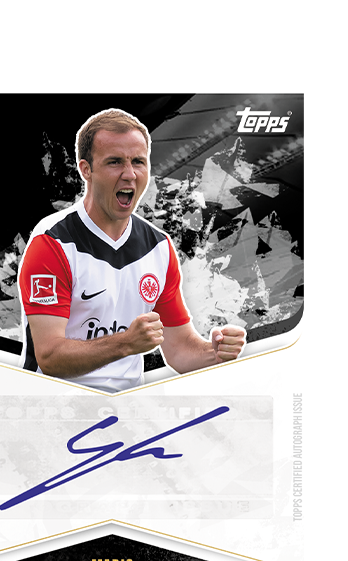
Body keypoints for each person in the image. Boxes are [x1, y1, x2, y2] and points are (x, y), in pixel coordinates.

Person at [17, 108, 246, 392]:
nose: (130, 174)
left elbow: (179, 349)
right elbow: (50, 357)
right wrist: (126, 343)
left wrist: (215, 352)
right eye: (115, 162)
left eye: (138, 162)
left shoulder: (158, 247)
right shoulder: (52, 243)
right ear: (86, 169)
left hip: (125, 409)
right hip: (55, 406)